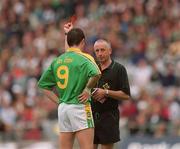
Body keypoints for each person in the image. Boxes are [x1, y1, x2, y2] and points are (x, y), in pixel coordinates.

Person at [38, 22, 101, 149]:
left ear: (69, 40)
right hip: (80, 106)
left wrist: (59, 101)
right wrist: (88, 89)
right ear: (83, 41)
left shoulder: (58, 60)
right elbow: (97, 73)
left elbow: (43, 86)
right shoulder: (84, 58)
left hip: (63, 109)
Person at [91, 39, 131, 149]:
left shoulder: (119, 69)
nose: (99, 53)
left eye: (102, 50)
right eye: (97, 51)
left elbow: (126, 95)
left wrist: (106, 92)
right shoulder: (91, 68)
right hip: (90, 116)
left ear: (110, 51)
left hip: (109, 117)